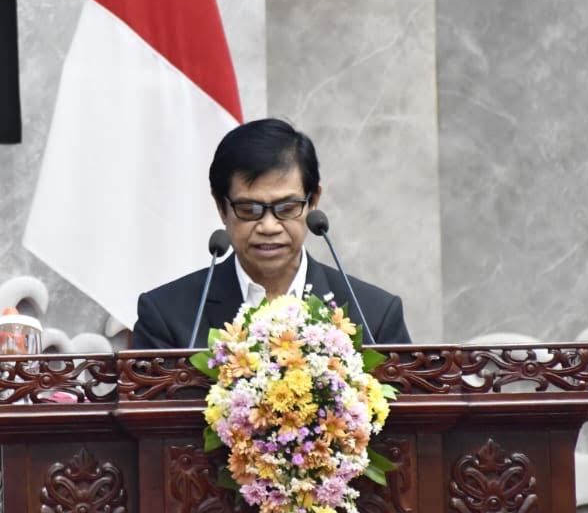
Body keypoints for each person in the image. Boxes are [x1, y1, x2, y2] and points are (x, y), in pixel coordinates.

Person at [131, 118, 410, 349]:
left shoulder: (374, 316)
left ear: (313, 201)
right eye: (249, 209)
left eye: (286, 208)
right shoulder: (168, 316)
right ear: (221, 207)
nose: (268, 227)